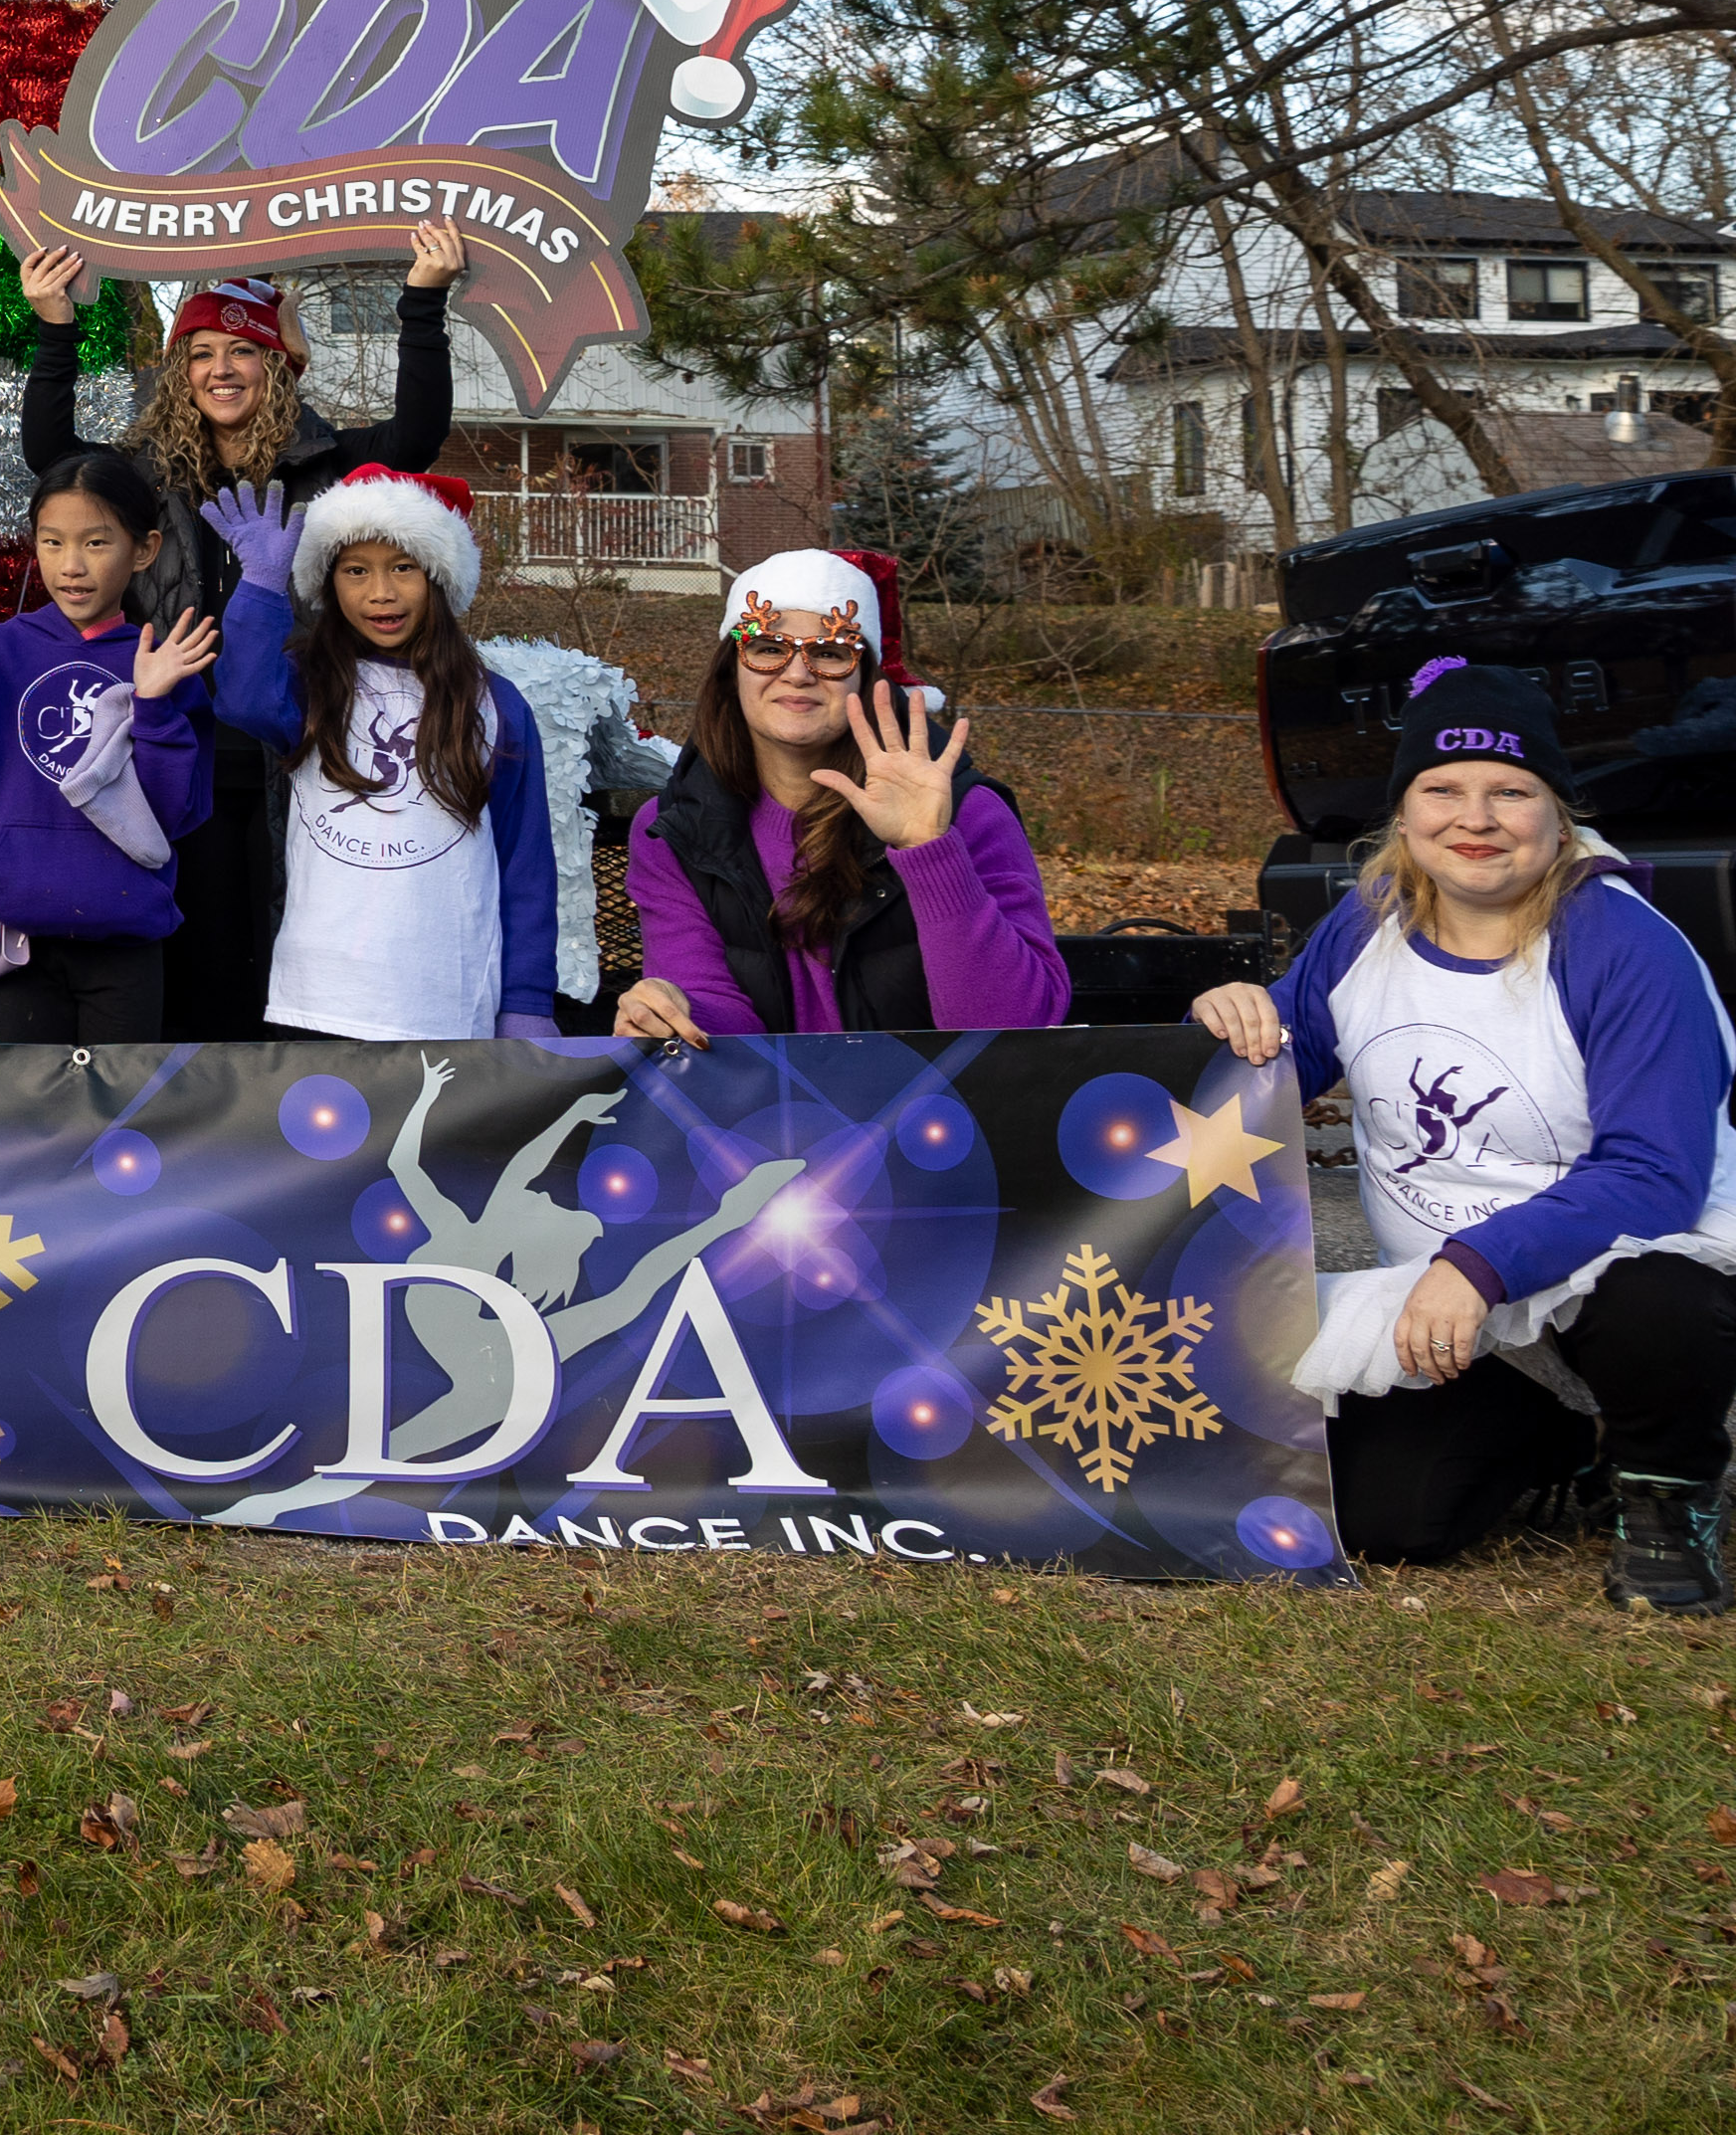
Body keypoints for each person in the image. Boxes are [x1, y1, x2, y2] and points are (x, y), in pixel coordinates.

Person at [1199, 662, 1736, 1607]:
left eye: (1510, 792)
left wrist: (1478, 1262)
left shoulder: (1624, 945)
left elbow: (1655, 1174)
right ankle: (1555, 1437)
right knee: (1387, 1521)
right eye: (1441, 790)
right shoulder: (1369, 923)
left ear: (1557, 816)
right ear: (1403, 816)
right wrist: (1232, 1016)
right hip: (1443, 1294)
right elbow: (1283, 1061)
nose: (1474, 818)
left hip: (1615, 1256)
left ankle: (1665, 1495)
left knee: (1663, 1306)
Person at [16, 227, 463, 1045]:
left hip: (296, 744)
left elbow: (417, 437)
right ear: (178, 372)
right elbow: (51, 455)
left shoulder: (326, 462)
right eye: (200, 353)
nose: (220, 370)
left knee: (285, 941)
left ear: (277, 364)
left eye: (242, 350)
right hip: (171, 742)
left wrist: (422, 300)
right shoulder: (146, 473)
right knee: (192, 951)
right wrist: (55, 328)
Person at [620, 550, 1065, 1042]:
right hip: (766, 1111)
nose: (797, 674)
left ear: (867, 677)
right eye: (767, 647)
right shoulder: (674, 831)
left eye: (830, 653)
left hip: (943, 1108)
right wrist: (677, 1011)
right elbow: (718, 1027)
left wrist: (928, 850)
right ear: (731, 671)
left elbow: (1020, 1030)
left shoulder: (969, 813)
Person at [208, 469, 556, 1042]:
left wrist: (527, 999)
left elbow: (526, 863)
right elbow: (243, 698)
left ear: (439, 577)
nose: (381, 593)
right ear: (328, 581)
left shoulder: (496, 704)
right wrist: (263, 586)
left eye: (403, 567)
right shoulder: (305, 683)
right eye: (355, 571)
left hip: (450, 1004)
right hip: (318, 1001)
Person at [0, 449, 221, 1045]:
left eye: (96, 543)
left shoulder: (161, 663)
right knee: (35, 1115)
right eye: (52, 543)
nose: (71, 566)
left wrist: (153, 705)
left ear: (145, 549)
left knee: (119, 1117)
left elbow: (172, 814)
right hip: (17, 936)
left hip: (124, 935)